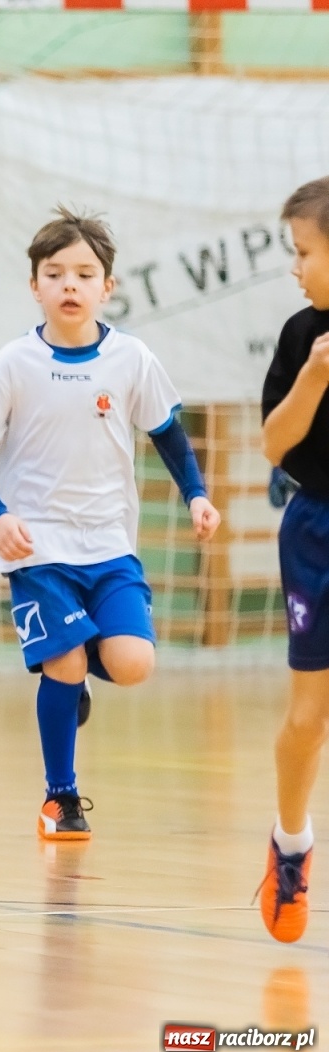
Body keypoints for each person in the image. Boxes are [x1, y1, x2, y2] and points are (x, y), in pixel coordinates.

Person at [0, 207, 221, 843]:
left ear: (108, 285)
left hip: (109, 547)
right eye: (55, 273)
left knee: (132, 664)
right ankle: (60, 797)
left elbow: (169, 436)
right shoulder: (14, 364)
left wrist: (196, 496)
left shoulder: (131, 358)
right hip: (38, 551)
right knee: (67, 661)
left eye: (84, 273)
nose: (69, 285)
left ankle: (69, 680)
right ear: (35, 287)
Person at [258, 176, 329, 942]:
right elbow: (275, 445)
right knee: (309, 718)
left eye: (303, 252)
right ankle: (291, 845)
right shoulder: (298, 335)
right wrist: (313, 374)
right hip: (315, 530)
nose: (294, 265)